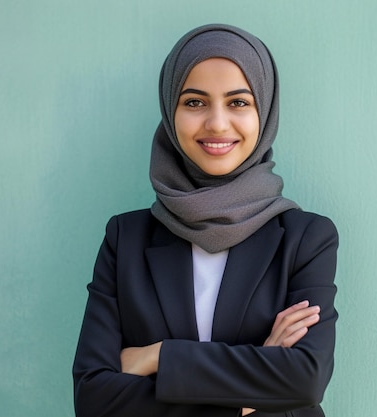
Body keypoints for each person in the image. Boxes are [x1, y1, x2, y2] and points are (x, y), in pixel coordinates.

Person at [72, 24, 339, 417]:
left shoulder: (306, 239)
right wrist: (249, 395)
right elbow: (93, 398)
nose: (216, 123)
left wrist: (159, 357)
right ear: (170, 110)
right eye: (195, 102)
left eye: (238, 103)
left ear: (264, 110)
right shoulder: (125, 238)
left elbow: (305, 380)